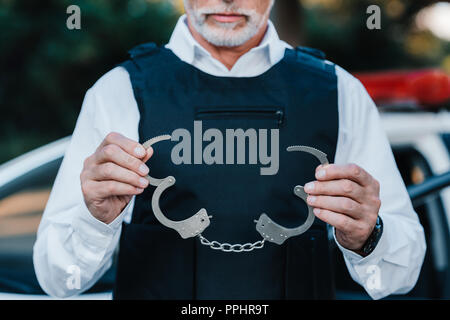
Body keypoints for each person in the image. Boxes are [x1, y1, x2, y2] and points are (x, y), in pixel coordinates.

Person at [33, 0, 426, 300]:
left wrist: (367, 236)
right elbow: (59, 282)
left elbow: (397, 278)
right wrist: (94, 217)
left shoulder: (340, 92)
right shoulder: (117, 91)